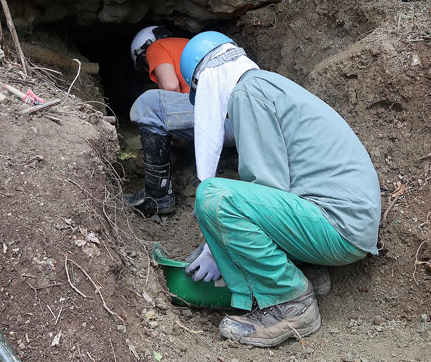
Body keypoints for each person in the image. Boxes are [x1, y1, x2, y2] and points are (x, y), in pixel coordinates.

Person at [178, 31, 381, 347]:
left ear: (205, 84)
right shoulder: (268, 85)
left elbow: (268, 188)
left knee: (215, 197)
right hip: (348, 224)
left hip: (337, 226)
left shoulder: (246, 93)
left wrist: (221, 247)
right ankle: (309, 275)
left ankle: (291, 304)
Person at [124, 26, 234, 216]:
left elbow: (170, 86)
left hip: (221, 118)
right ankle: (229, 160)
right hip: (242, 124)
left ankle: (157, 196)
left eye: (145, 66)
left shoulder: (157, 48)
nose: (149, 70)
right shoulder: (192, 49)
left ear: (143, 53)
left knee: (150, 104)